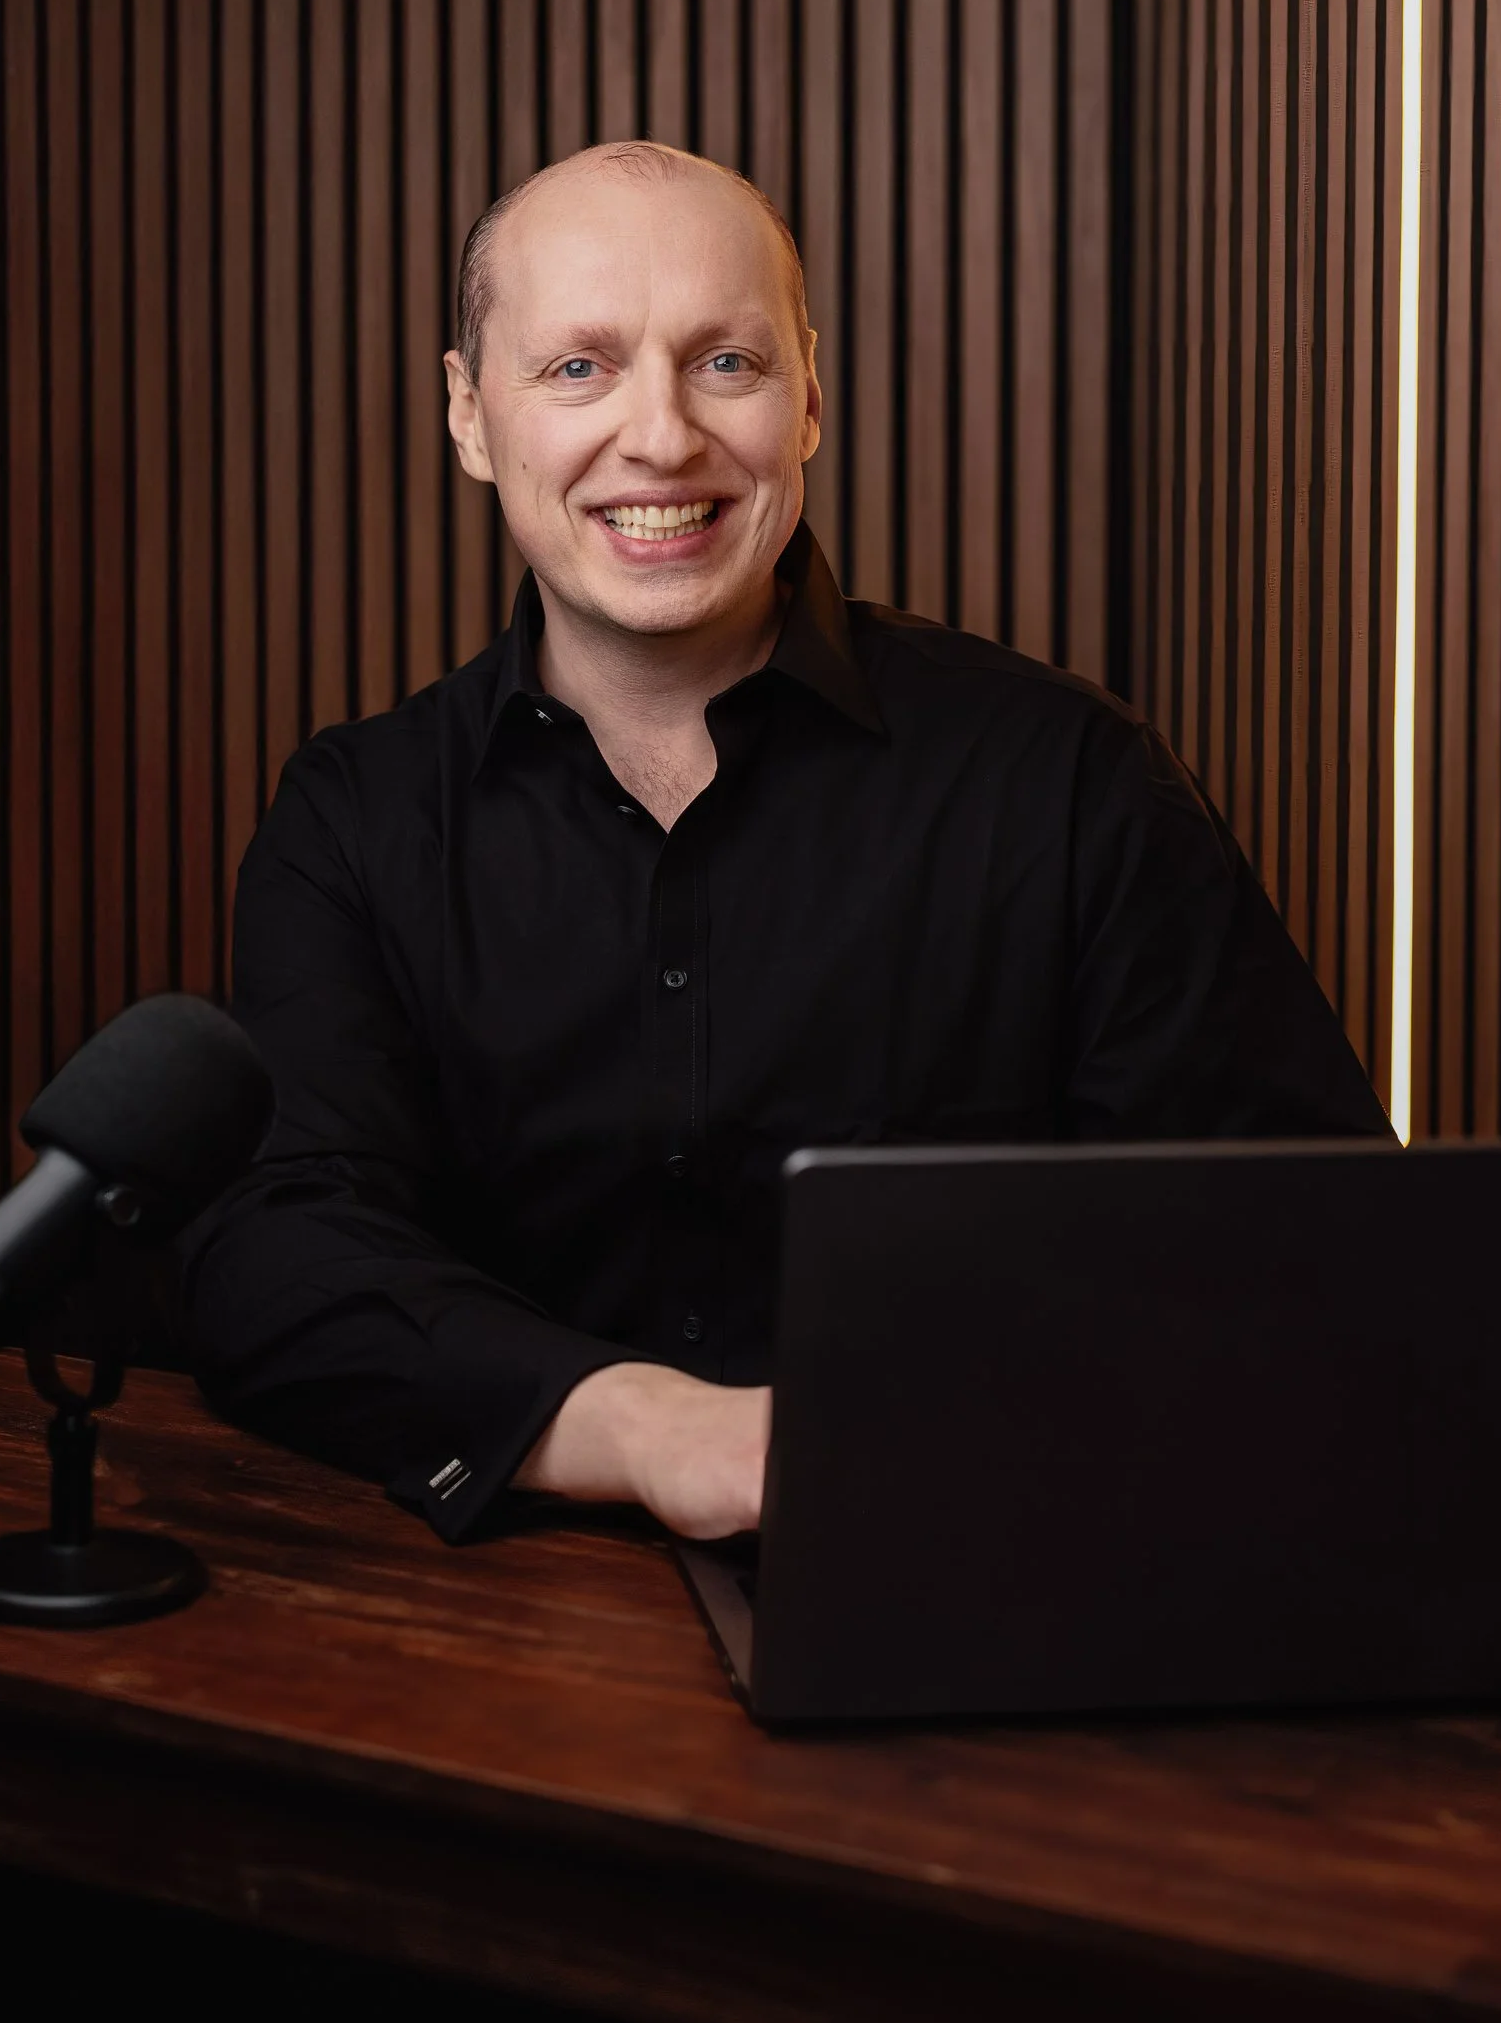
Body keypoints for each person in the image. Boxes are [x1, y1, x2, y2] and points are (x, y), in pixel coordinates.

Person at [176, 140, 1393, 1547]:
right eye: (578, 367)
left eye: (724, 364)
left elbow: (1308, 1251)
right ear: (467, 415)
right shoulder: (353, 817)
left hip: (984, 1578)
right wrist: (637, 1424)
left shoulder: (1068, 780)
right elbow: (276, 1257)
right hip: (486, 1632)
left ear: (807, 394)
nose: (659, 437)